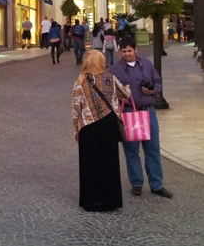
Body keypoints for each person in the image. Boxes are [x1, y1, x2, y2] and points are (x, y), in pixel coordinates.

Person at [110, 35, 174, 199]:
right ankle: (136, 183)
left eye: (129, 51)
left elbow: (158, 82)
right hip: (129, 112)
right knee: (131, 151)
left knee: (152, 149)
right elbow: (111, 93)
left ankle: (157, 184)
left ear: (135, 50)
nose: (127, 54)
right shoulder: (115, 70)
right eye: (124, 51)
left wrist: (152, 90)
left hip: (148, 111)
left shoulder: (147, 64)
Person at [72, 50, 131, 212]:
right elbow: (125, 94)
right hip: (108, 125)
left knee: (89, 163)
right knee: (109, 162)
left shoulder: (80, 82)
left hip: (88, 126)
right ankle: (110, 200)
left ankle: (90, 201)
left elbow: (76, 108)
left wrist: (75, 128)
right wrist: (127, 88)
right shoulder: (110, 79)